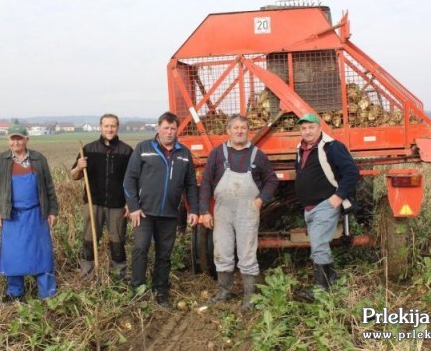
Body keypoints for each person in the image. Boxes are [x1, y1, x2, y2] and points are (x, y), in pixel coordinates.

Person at [199, 114, 278, 310]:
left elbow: (272, 180)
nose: (240, 131)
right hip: (222, 211)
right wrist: (204, 211)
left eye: (243, 128)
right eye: (236, 127)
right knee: (222, 251)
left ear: (248, 131)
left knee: (247, 253)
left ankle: (249, 297)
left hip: (247, 211)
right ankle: (224, 291)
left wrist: (260, 200)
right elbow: (206, 183)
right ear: (229, 130)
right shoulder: (218, 154)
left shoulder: (257, 155)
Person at [123, 111, 199, 307]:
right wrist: (134, 207)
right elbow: (129, 180)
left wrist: (193, 210)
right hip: (144, 213)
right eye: (166, 128)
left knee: (164, 254)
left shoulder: (183, 154)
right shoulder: (143, 148)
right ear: (158, 128)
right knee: (140, 249)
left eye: (173, 129)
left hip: (169, 214)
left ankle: (161, 291)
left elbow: (190, 185)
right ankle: (138, 290)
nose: (169, 132)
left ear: (177, 131)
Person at [0, 124, 59, 302]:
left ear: (27, 139)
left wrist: (52, 211)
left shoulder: (38, 159)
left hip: (37, 214)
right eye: (13, 138)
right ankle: (15, 293)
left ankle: (47, 294)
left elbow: (49, 187)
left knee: (42, 253)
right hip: (11, 216)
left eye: (19, 138)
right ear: (8, 140)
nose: (16, 142)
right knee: (13, 255)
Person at [293, 113, 359, 300]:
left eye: (311, 127)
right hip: (310, 207)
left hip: (325, 204)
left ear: (319, 128)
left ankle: (320, 290)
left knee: (319, 244)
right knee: (318, 242)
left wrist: (339, 196)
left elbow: (352, 172)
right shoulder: (300, 149)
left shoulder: (332, 147)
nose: (307, 131)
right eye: (303, 128)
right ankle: (330, 278)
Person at [70, 114, 133, 280]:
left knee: (117, 241)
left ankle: (119, 278)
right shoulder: (88, 149)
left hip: (117, 204)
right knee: (89, 240)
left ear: (117, 127)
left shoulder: (126, 151)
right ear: (100, 127)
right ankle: (87, 277)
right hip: (93, 203)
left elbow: (133, 180)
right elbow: (73, 175)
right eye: (106, 126)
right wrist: (78, 166)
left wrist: (130, 203)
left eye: (113, 126)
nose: (110, 129)